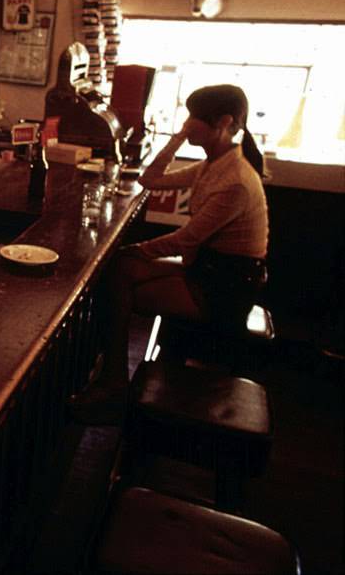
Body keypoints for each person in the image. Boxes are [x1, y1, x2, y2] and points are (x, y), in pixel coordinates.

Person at [70, 84, 268, 424]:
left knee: (120, 281)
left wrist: (138, 249)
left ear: (223, 122)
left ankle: (113, 384)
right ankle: (110, 377)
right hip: (207, 269)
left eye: (195, 118)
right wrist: (177, 138)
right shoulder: (213, 164)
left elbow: (186, 240)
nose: (189, 123)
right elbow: (150, 179)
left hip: (225, 287)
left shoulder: (235, 179)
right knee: (120, 270)